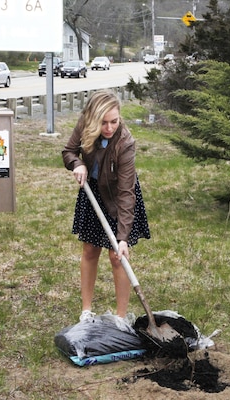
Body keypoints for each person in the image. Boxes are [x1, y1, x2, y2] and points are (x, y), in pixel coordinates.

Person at [62, 90, 150, 323]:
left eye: (114, 121)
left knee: (117, 256)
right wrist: (77, 163)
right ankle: (86, 311)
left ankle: (121, 318)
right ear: (93, 119)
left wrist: (123, 238)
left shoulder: (125, 143)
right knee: (90, 250)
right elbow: (69, 151)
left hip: (119, 196)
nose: (109, 128)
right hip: (93, 192)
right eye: (103, 122)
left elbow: (126, 193)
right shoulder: (84, 124)